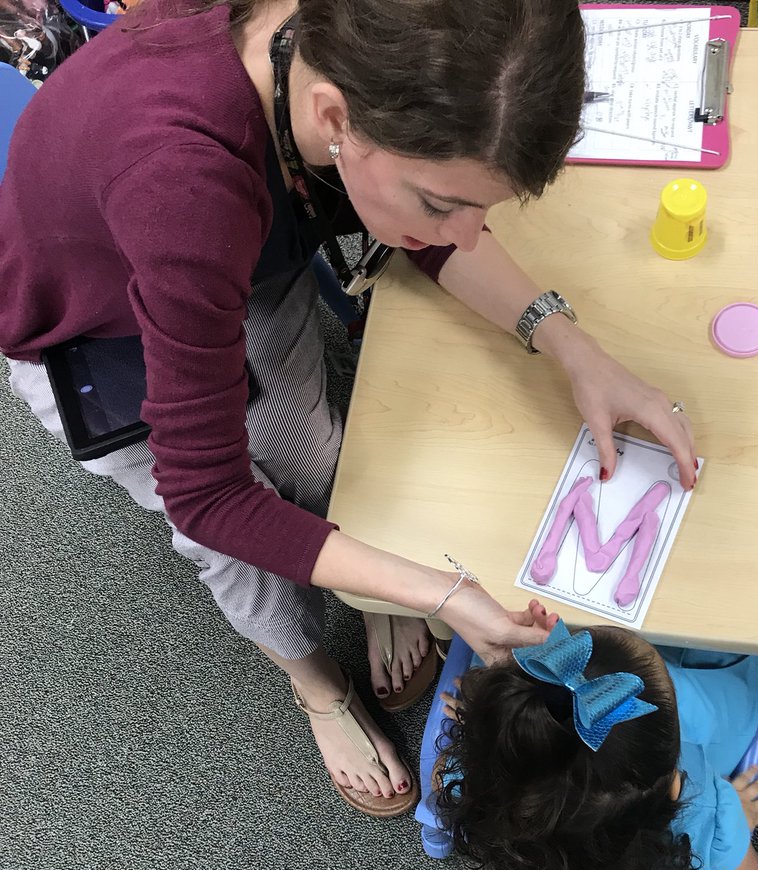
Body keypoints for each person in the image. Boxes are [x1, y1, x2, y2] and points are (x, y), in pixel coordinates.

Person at [0, 0, 696, 819]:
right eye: (444, 203)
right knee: (226, 546)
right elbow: (210, 495)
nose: (469, 236)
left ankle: (371, 591)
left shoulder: (346, 62)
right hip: (97, 327)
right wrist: (443, 594)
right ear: (333, 118)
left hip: (245, 261)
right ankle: (315, 682)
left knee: (320, 458)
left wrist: (577, 350)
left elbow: (423, 228)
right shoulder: (186, 182)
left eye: (484, 209)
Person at [434, 622, 758, 870]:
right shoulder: (701, 810)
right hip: (714, 705)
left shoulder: (482, 779)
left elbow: (442, 777)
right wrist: (733, 826)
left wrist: (489, 724)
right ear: (673, 785)